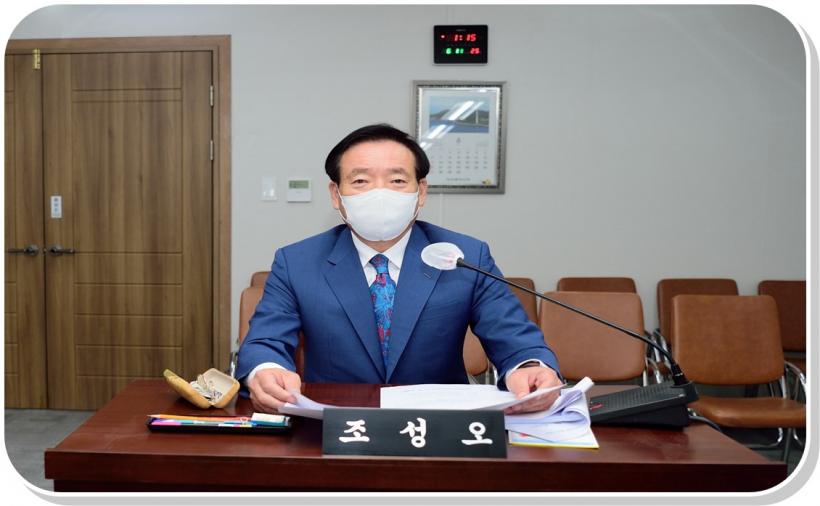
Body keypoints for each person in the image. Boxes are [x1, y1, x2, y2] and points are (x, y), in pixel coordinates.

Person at [236, 124, 562, 414]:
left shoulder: (466, 256)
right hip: (332, 425)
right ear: (336, 194)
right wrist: (265, 371)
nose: (380, 194)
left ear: (421, 192)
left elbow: (513, 336)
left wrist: (529, 366)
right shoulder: (297, 262)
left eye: (397, 180)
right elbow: (265, 341)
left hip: (440, 430)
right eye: (361, 181)